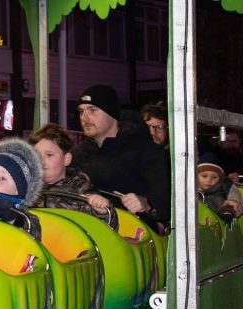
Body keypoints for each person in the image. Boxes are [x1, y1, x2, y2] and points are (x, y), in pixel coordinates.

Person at [70, 85, 171, 233]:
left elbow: (167, 199)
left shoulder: (146, 150)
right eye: (81, 111)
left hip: (135, 234)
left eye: (92, 110)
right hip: (87, 232)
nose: (84, 118)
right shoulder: (78, 154)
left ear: (111, 113)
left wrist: (146, 203)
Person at [28, 123, 118, 230]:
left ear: (66, 159)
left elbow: (108, 230)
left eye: (49, 155)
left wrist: (101, 210)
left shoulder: (80, 188)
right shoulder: (27, 189)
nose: (41, 161)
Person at [196, 153, 243, 223]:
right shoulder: (189, 189)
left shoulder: (225, 187)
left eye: (214, 177)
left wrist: (229, 211)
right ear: (196, 176)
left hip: (219, 222)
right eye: (204, 176)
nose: (209, 180)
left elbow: (234, 203)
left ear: (220, 178)